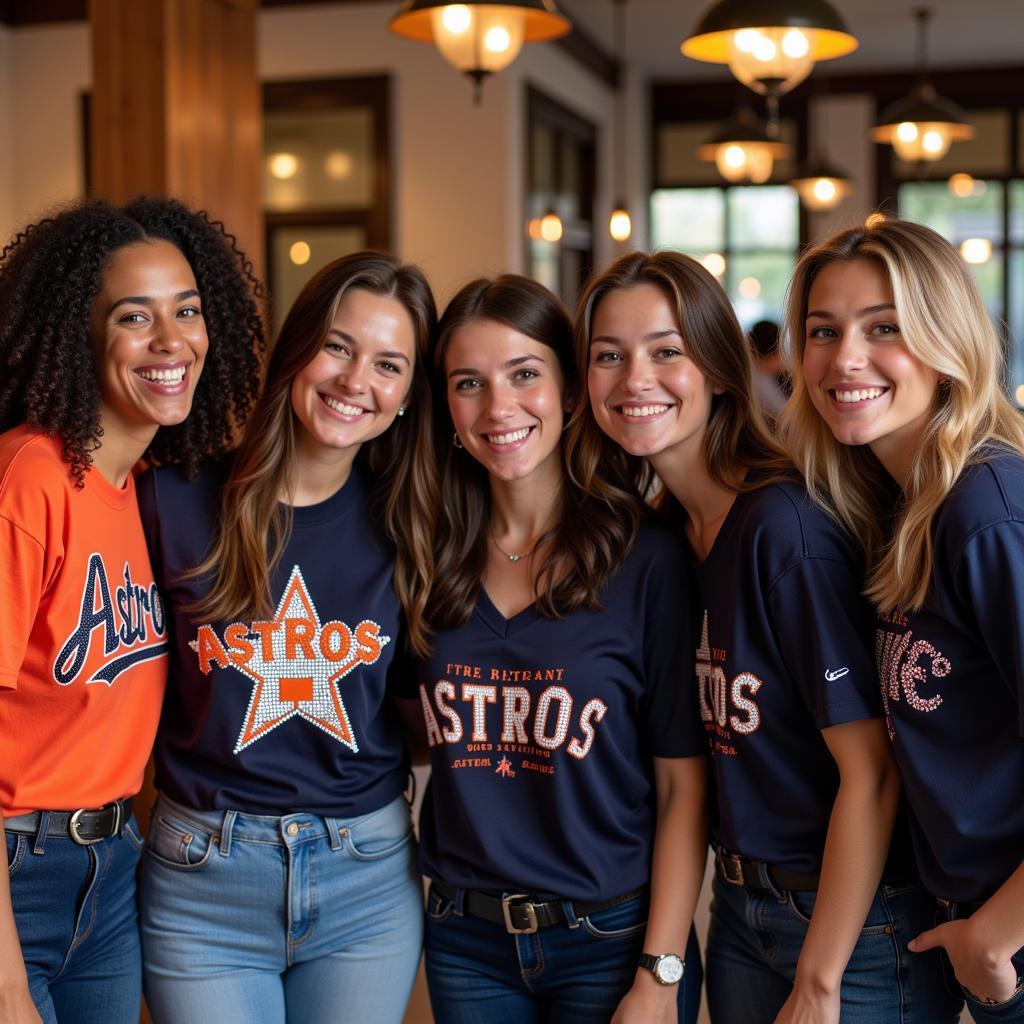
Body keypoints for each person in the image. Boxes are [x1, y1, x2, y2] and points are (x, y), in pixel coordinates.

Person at [579, 249, 955, 1024]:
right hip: (743, 908)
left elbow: (873, 773)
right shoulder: (670, 537)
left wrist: (819, 980)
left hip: (852, 926)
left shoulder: (781, 529)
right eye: (608, 356)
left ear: (718, 368)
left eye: (666, 352)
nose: (633, 380)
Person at [137, 251, 437, 1024]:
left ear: (406, 395)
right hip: (201, 875)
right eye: (338, 346)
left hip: (365, 878)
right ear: (296, 349)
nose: (353, 381)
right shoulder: (171, 501)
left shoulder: (415, 529)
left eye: (388, 364)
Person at [407, 274, 706, 1024]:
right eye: (468, 382)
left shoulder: (649, 559)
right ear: (446, 407)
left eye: (525, 375)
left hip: (611, 935)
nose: (498, 407)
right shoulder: (424, 553)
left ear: (571, 393)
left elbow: (682, 788)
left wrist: (660, 973)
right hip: (463, 938)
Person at [0, 196, 264, 1024]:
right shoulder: (30, 479)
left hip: (113, 864)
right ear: (78, 334)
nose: (171, 342)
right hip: (16, 873)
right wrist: (5, 979)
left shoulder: (149, 491)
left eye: (187, 310)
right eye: (133, 317)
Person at [782, 216, 1024, 1022]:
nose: (844, 358)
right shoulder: (905, 501)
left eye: (885, 327)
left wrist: (996, 935)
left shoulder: (985, 508)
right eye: (823, 330)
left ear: (947, 340)